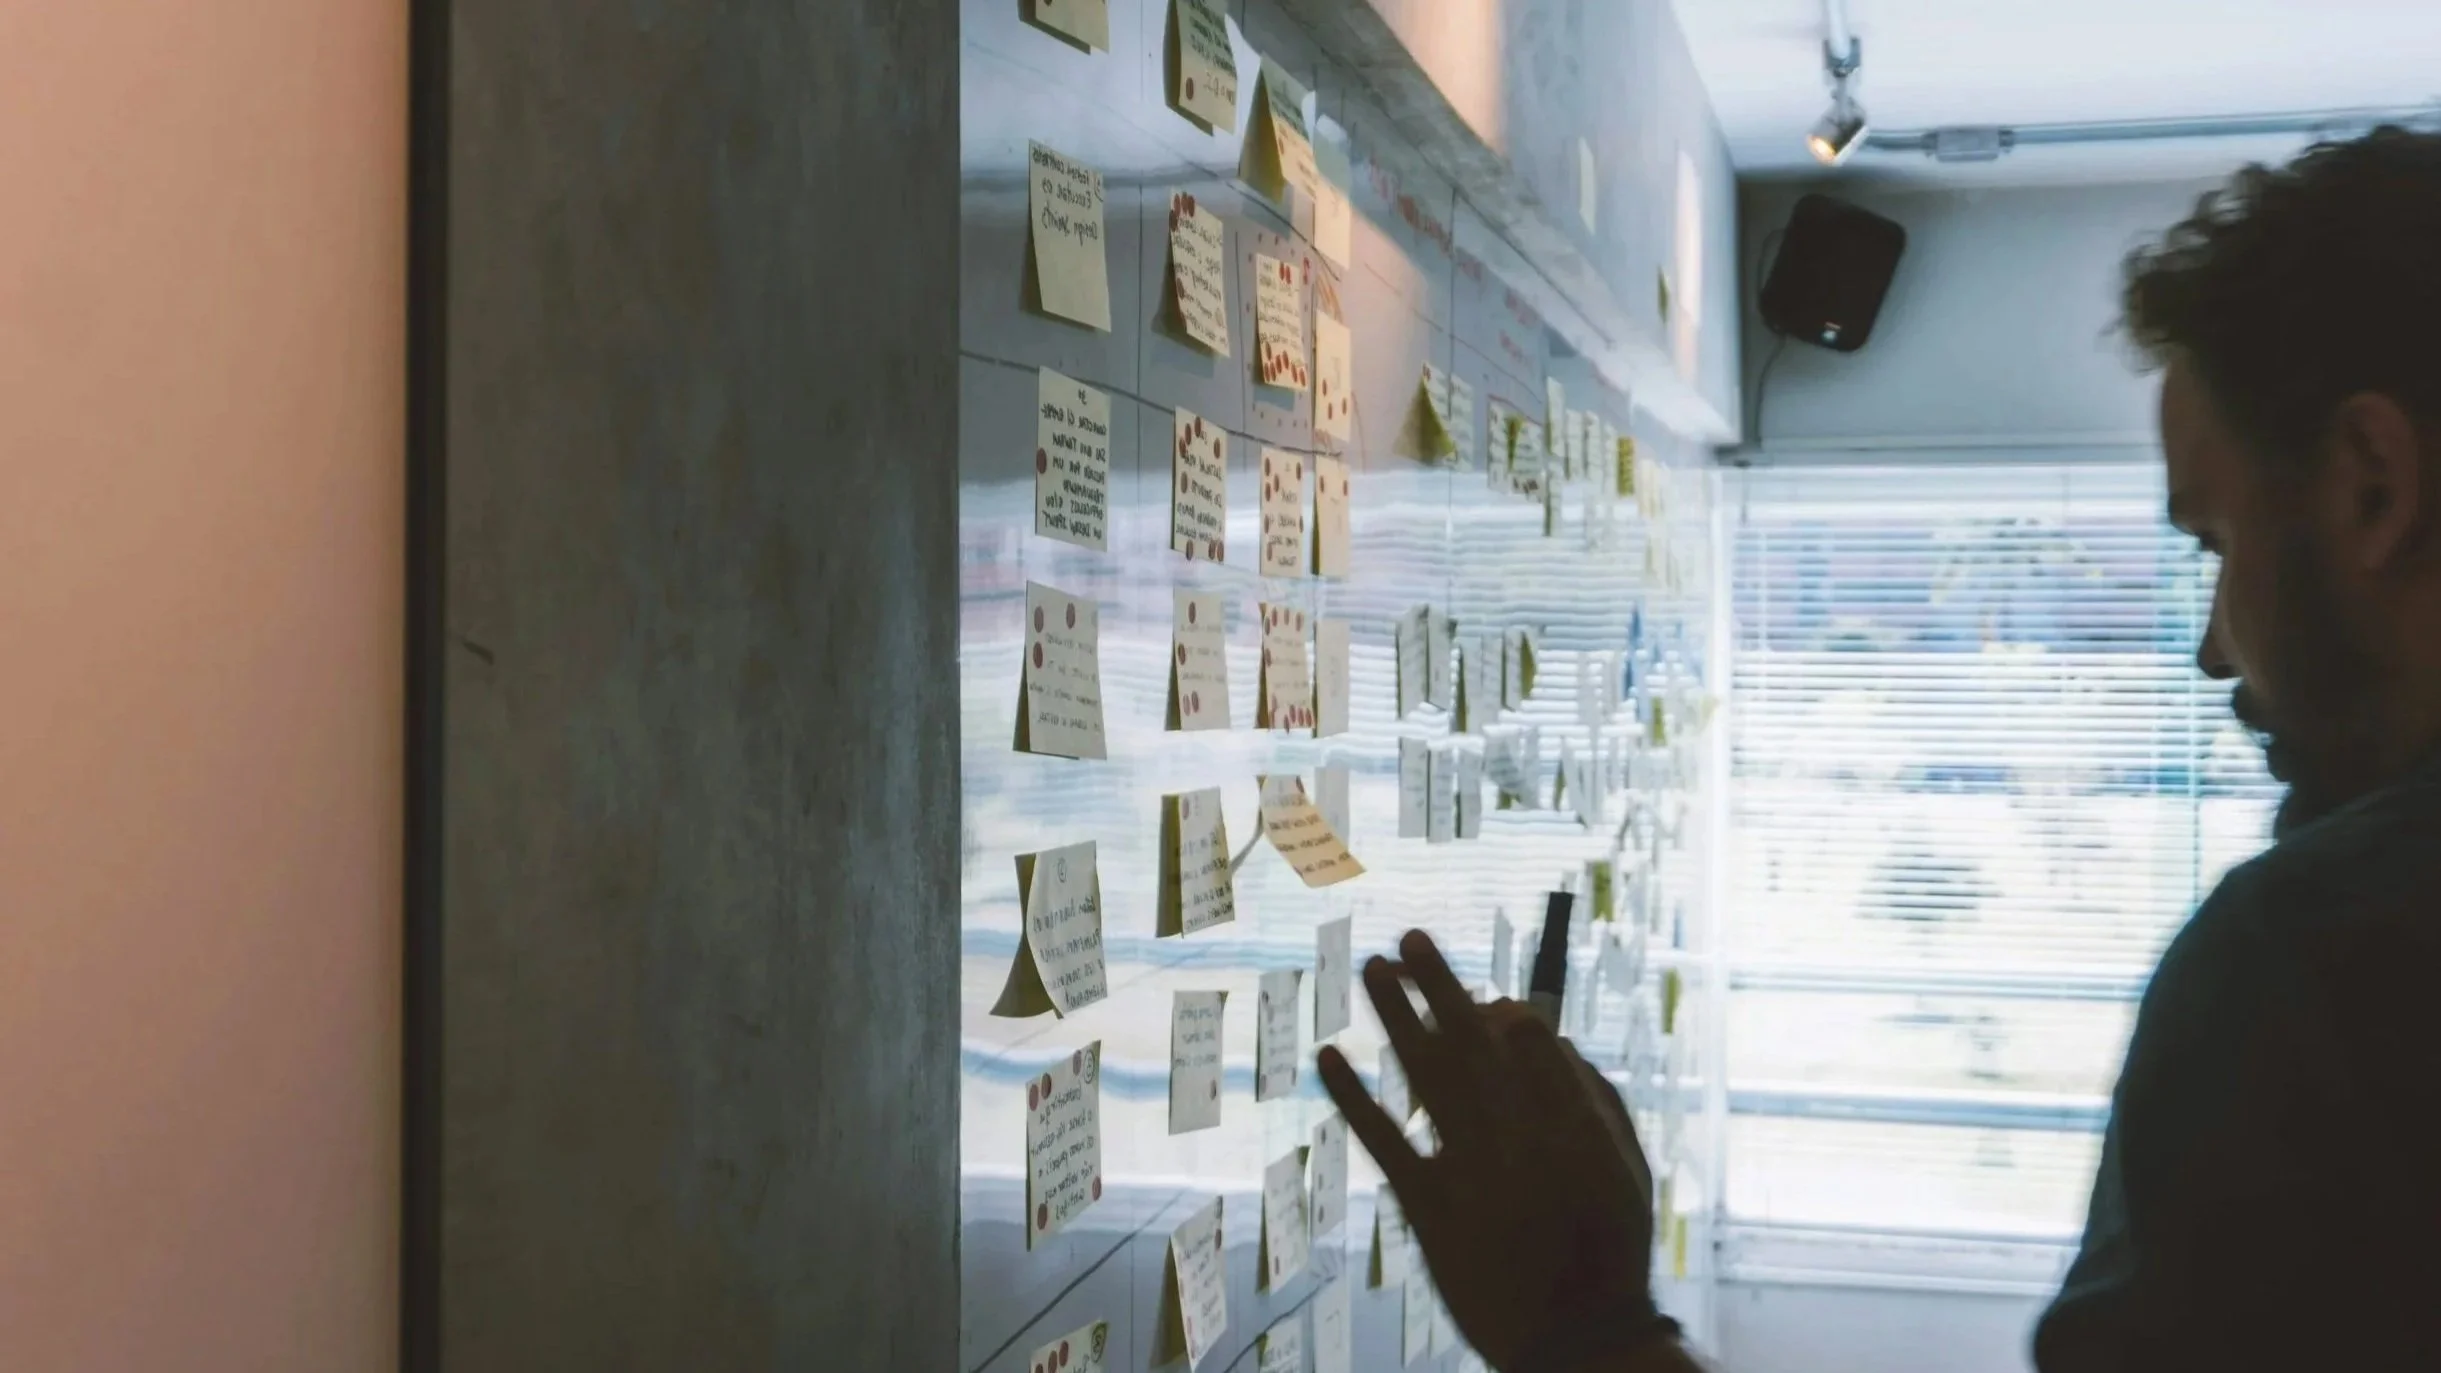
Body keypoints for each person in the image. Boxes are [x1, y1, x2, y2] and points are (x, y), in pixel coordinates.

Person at [1318, 125, 2441, 1372]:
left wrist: (1586, 1328)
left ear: (2370, 485)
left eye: (2215, 542)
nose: (2212, 653)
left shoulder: (2312, 961)